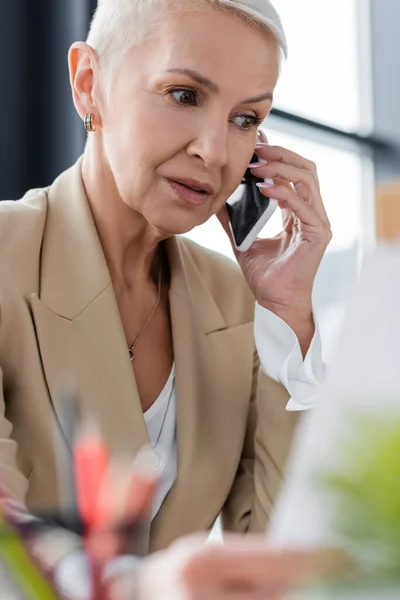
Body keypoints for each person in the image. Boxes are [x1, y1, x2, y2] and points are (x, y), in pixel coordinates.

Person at [0, 0, 331, 595]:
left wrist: (287, 316)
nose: (216, 151)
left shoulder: (237, 302)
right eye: (184, 95)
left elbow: (285, 562)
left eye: (245, 118)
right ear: (88, 84)